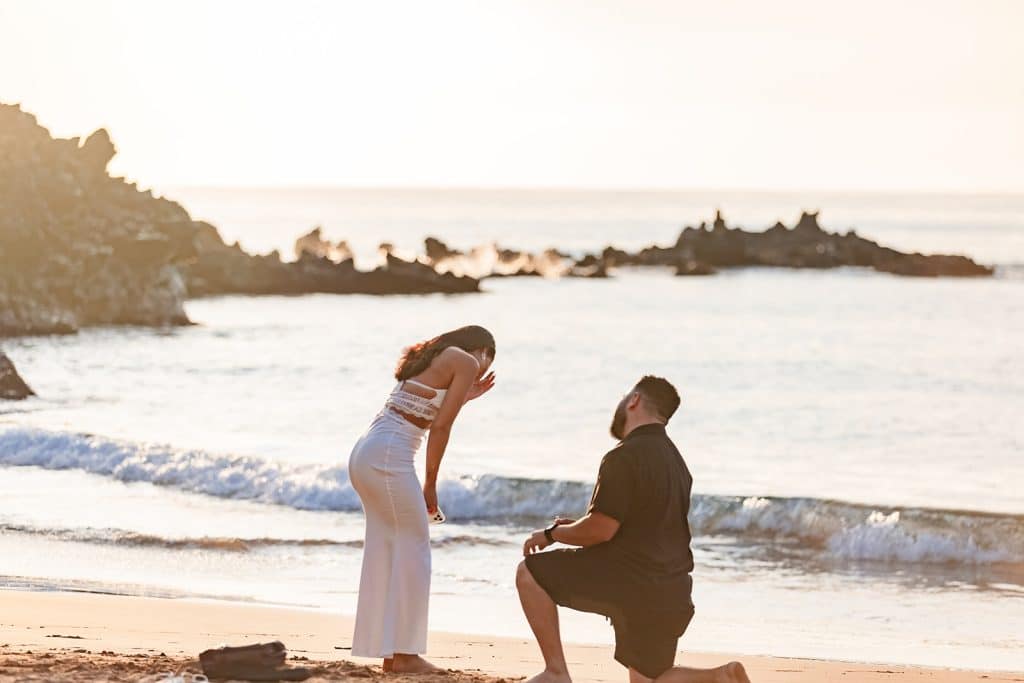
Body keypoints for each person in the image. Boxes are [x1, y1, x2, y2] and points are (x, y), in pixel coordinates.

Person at [517, 376, 750, 683]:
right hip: (671, 591)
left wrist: (551, 534)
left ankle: (556, 672)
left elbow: (600, 530)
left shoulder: (624, 455)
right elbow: (642, 526)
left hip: (631, 584)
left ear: (634, 400)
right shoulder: (676, 462)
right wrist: (576, 526)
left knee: (529, 573)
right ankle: (719, 677)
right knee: (647, 680)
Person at [348, 325, 496, 674]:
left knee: (389, 548)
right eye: (488, 359)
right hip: (388, 456)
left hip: (367, 453)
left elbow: (419, 408)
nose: (485, 368)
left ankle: (391, 651)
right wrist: (430, 484)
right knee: (414, 548)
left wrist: (464, 395)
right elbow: (441, 427)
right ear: (482, 350)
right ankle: (406, 655)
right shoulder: (465, 360)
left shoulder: (433, 355)